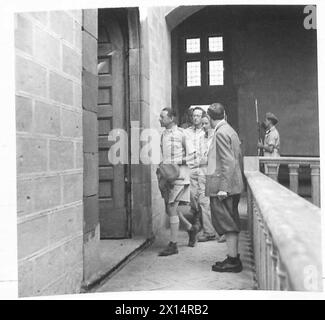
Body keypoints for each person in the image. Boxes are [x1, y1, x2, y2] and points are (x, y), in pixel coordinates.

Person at [206, 103, 244, 273]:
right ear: (224, 114)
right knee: (231, 223)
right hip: (232, 185)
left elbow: (228, 161)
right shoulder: (230, 130)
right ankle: (232, 257)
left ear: (209, 118)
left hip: (224, 188)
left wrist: (223, 188)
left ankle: (233, 261)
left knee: (228, 225)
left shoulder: (220, 132)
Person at [157, 107, 196, 256]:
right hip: (167, 176)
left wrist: (175, 163)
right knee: (169, 209)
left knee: (172, 207)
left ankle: (173, 245)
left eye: (162, 117)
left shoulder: (182, 134)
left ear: (171, 118)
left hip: (179, 176)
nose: (159, 119)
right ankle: (191, 228)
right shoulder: (162, 135)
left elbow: (193, 156)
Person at [196, 114, 220, 243]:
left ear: (211, 123)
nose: (203, 126)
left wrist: (205, 160)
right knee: (203, 202)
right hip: (202, 173)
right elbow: (198, 157)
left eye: (206, 123)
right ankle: (209, 232)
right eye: (203, 123)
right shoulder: (200, 138)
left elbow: (214, 158)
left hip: (212, 173)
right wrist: (203, 160)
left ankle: (219, 231)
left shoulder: (217, 137)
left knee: (215, 203)